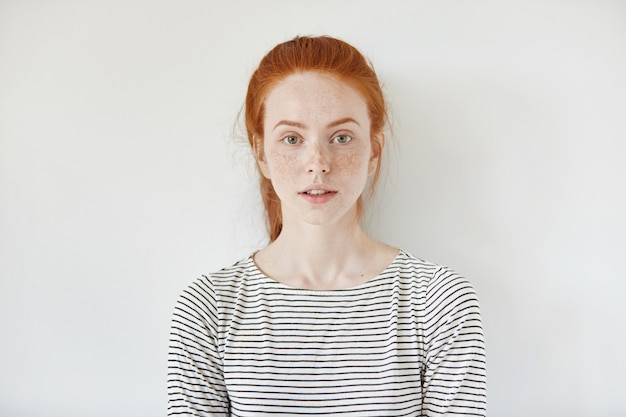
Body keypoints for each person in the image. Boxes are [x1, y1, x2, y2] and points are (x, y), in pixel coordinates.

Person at [167, 35, 486, 416]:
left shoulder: (437, 303)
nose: (317, 162)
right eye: (291, 138)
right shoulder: (209, 308)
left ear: (374, 151)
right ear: (261, 154)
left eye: (341, 137)